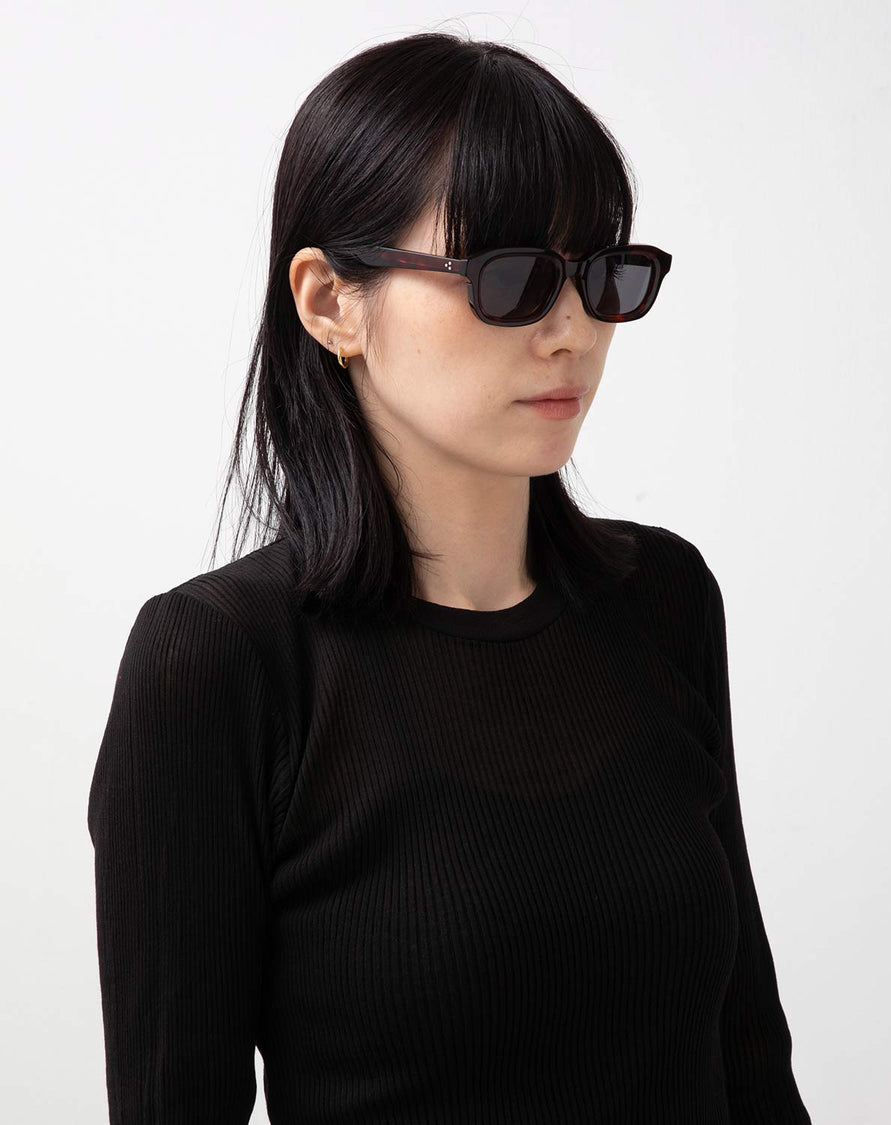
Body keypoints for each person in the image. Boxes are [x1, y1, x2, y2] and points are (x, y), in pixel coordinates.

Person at [86, 30, 812, 1125]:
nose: (572, 333)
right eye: (511, 279)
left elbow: (750, 1057)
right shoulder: (220, 661)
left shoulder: (662, 597)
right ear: (331, 302)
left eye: (602, 276)